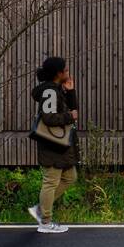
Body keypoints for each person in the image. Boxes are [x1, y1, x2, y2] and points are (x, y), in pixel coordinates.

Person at [27, 57, 79, 234]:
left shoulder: (58, 89)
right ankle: (45, 222)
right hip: (52, 144)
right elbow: (49, 118)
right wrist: (69, 117)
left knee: (70, 177)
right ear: (58, 73)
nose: (68, 72)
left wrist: (70, 92)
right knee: (51, 181)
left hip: (60, 144)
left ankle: (41, 210)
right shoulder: (49, 91)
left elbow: (74, 112)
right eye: (65, 70)